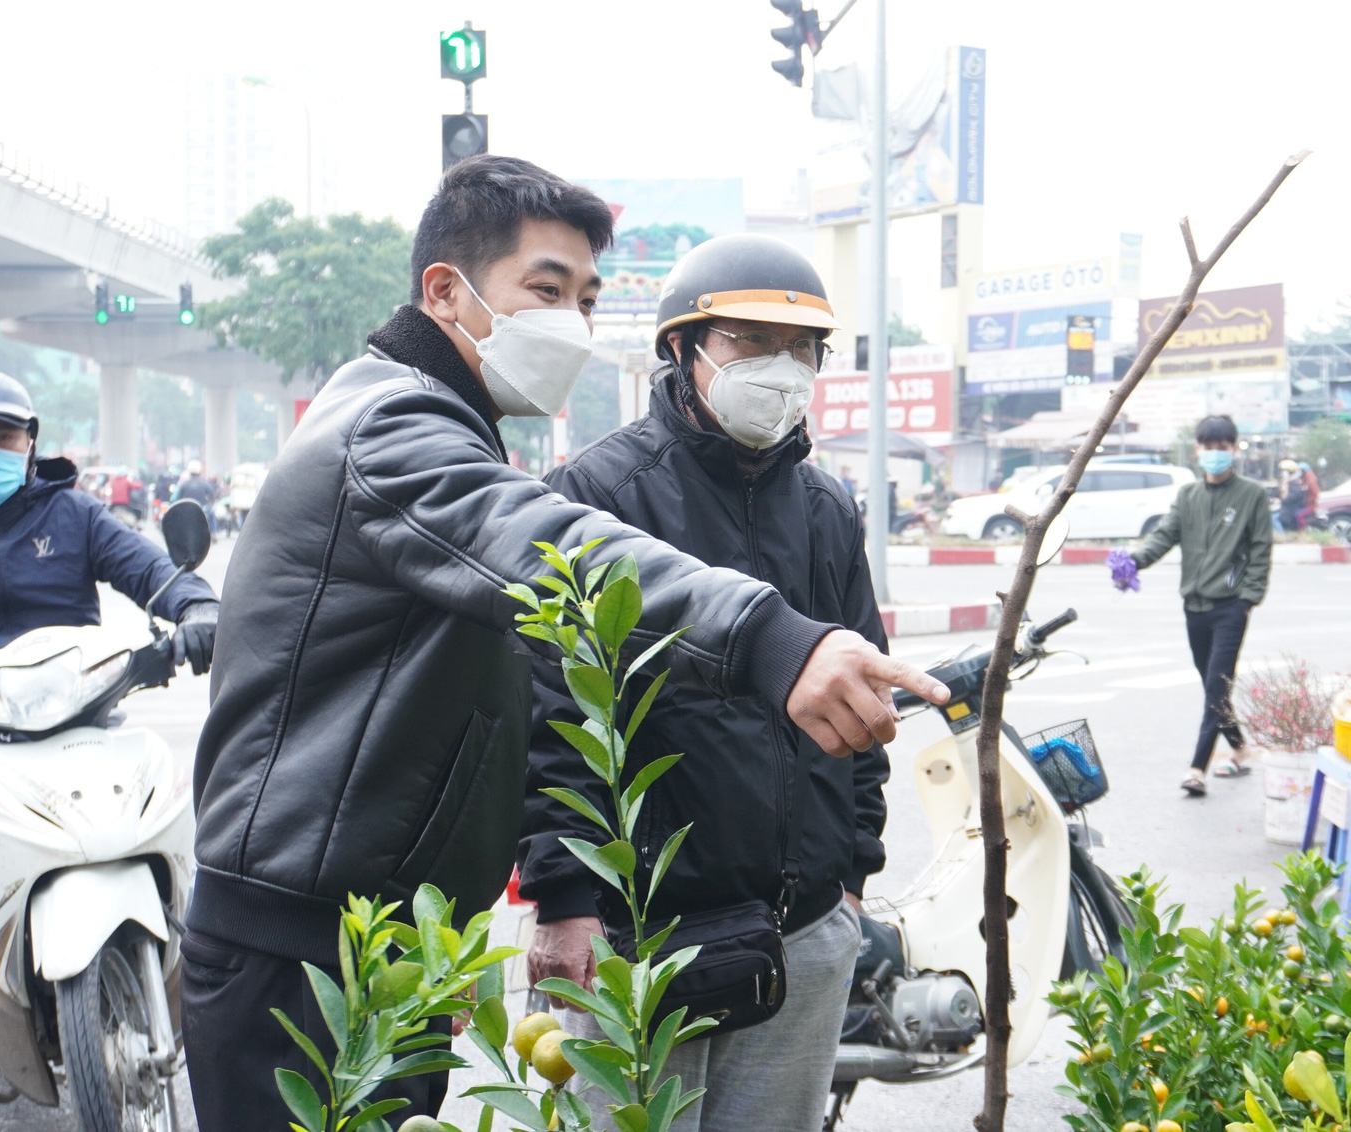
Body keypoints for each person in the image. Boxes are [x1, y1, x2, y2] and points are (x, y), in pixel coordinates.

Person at [182, 155, 946, 1131]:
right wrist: (769, 638)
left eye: (585, 299)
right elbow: (550, 561)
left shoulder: (451, 427)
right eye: (545, 290)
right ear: (446, 291)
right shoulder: (387, 430)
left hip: (385, 940)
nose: (571, 325)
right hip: (303, 947)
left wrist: (849, 863)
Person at [519, 234, 875, 1131]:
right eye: (751, 344)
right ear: (682, 351)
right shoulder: (597, 495)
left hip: (801, 928)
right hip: (636, 938)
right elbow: (549, 711)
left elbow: (863, 700)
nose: (782, 370)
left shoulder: (829, 511)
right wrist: (563, 899)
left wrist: (851, 876)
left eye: (802, 350)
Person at [0, 372, 220, 1077]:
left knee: (173, 798)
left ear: (30, 445)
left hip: (83, 715)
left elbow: (151, 570)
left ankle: (199, 955)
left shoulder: (73, 515)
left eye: (3, 437)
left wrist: (197, 606)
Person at [1129, 414, 1273, 797]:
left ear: (1233, 448)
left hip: (1230, 608)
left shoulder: (1251, 495)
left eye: (1222, 448)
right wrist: (1133, 561)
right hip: (1194, 607)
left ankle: (1197, 769)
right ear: (1198, 450)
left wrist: (1249, 598)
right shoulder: (1187, 496)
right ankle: (1241, 750)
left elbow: (1260, 550)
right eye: (1209, 448)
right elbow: (1164, 535)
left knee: (1214, 686)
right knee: (1215, 689)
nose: (1215, 454)